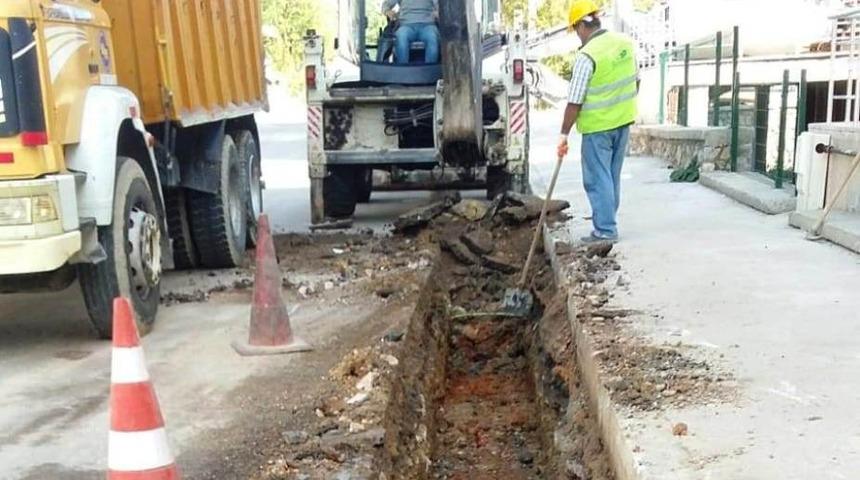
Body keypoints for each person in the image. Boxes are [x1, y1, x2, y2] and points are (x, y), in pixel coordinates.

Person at [557, 0, 638, 244]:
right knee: (611, 176)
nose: (577, 36)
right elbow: (637, 80)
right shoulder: (624, 44)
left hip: (598, 128)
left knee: (597, 178)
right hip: (622, 122)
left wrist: (563, 134)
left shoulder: (587, 55)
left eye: (576, 30)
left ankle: (605, 230)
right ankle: (607, 220)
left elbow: (575, 100)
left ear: (582, 24)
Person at [381, 0, 440, 64]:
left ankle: (430, 71)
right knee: (401, 36)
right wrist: (388, 11)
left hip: (428, 24)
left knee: (433, 37)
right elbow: (385, 5)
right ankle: (402, 69)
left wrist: (438, 12)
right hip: (406, 25)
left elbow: (439, 5)